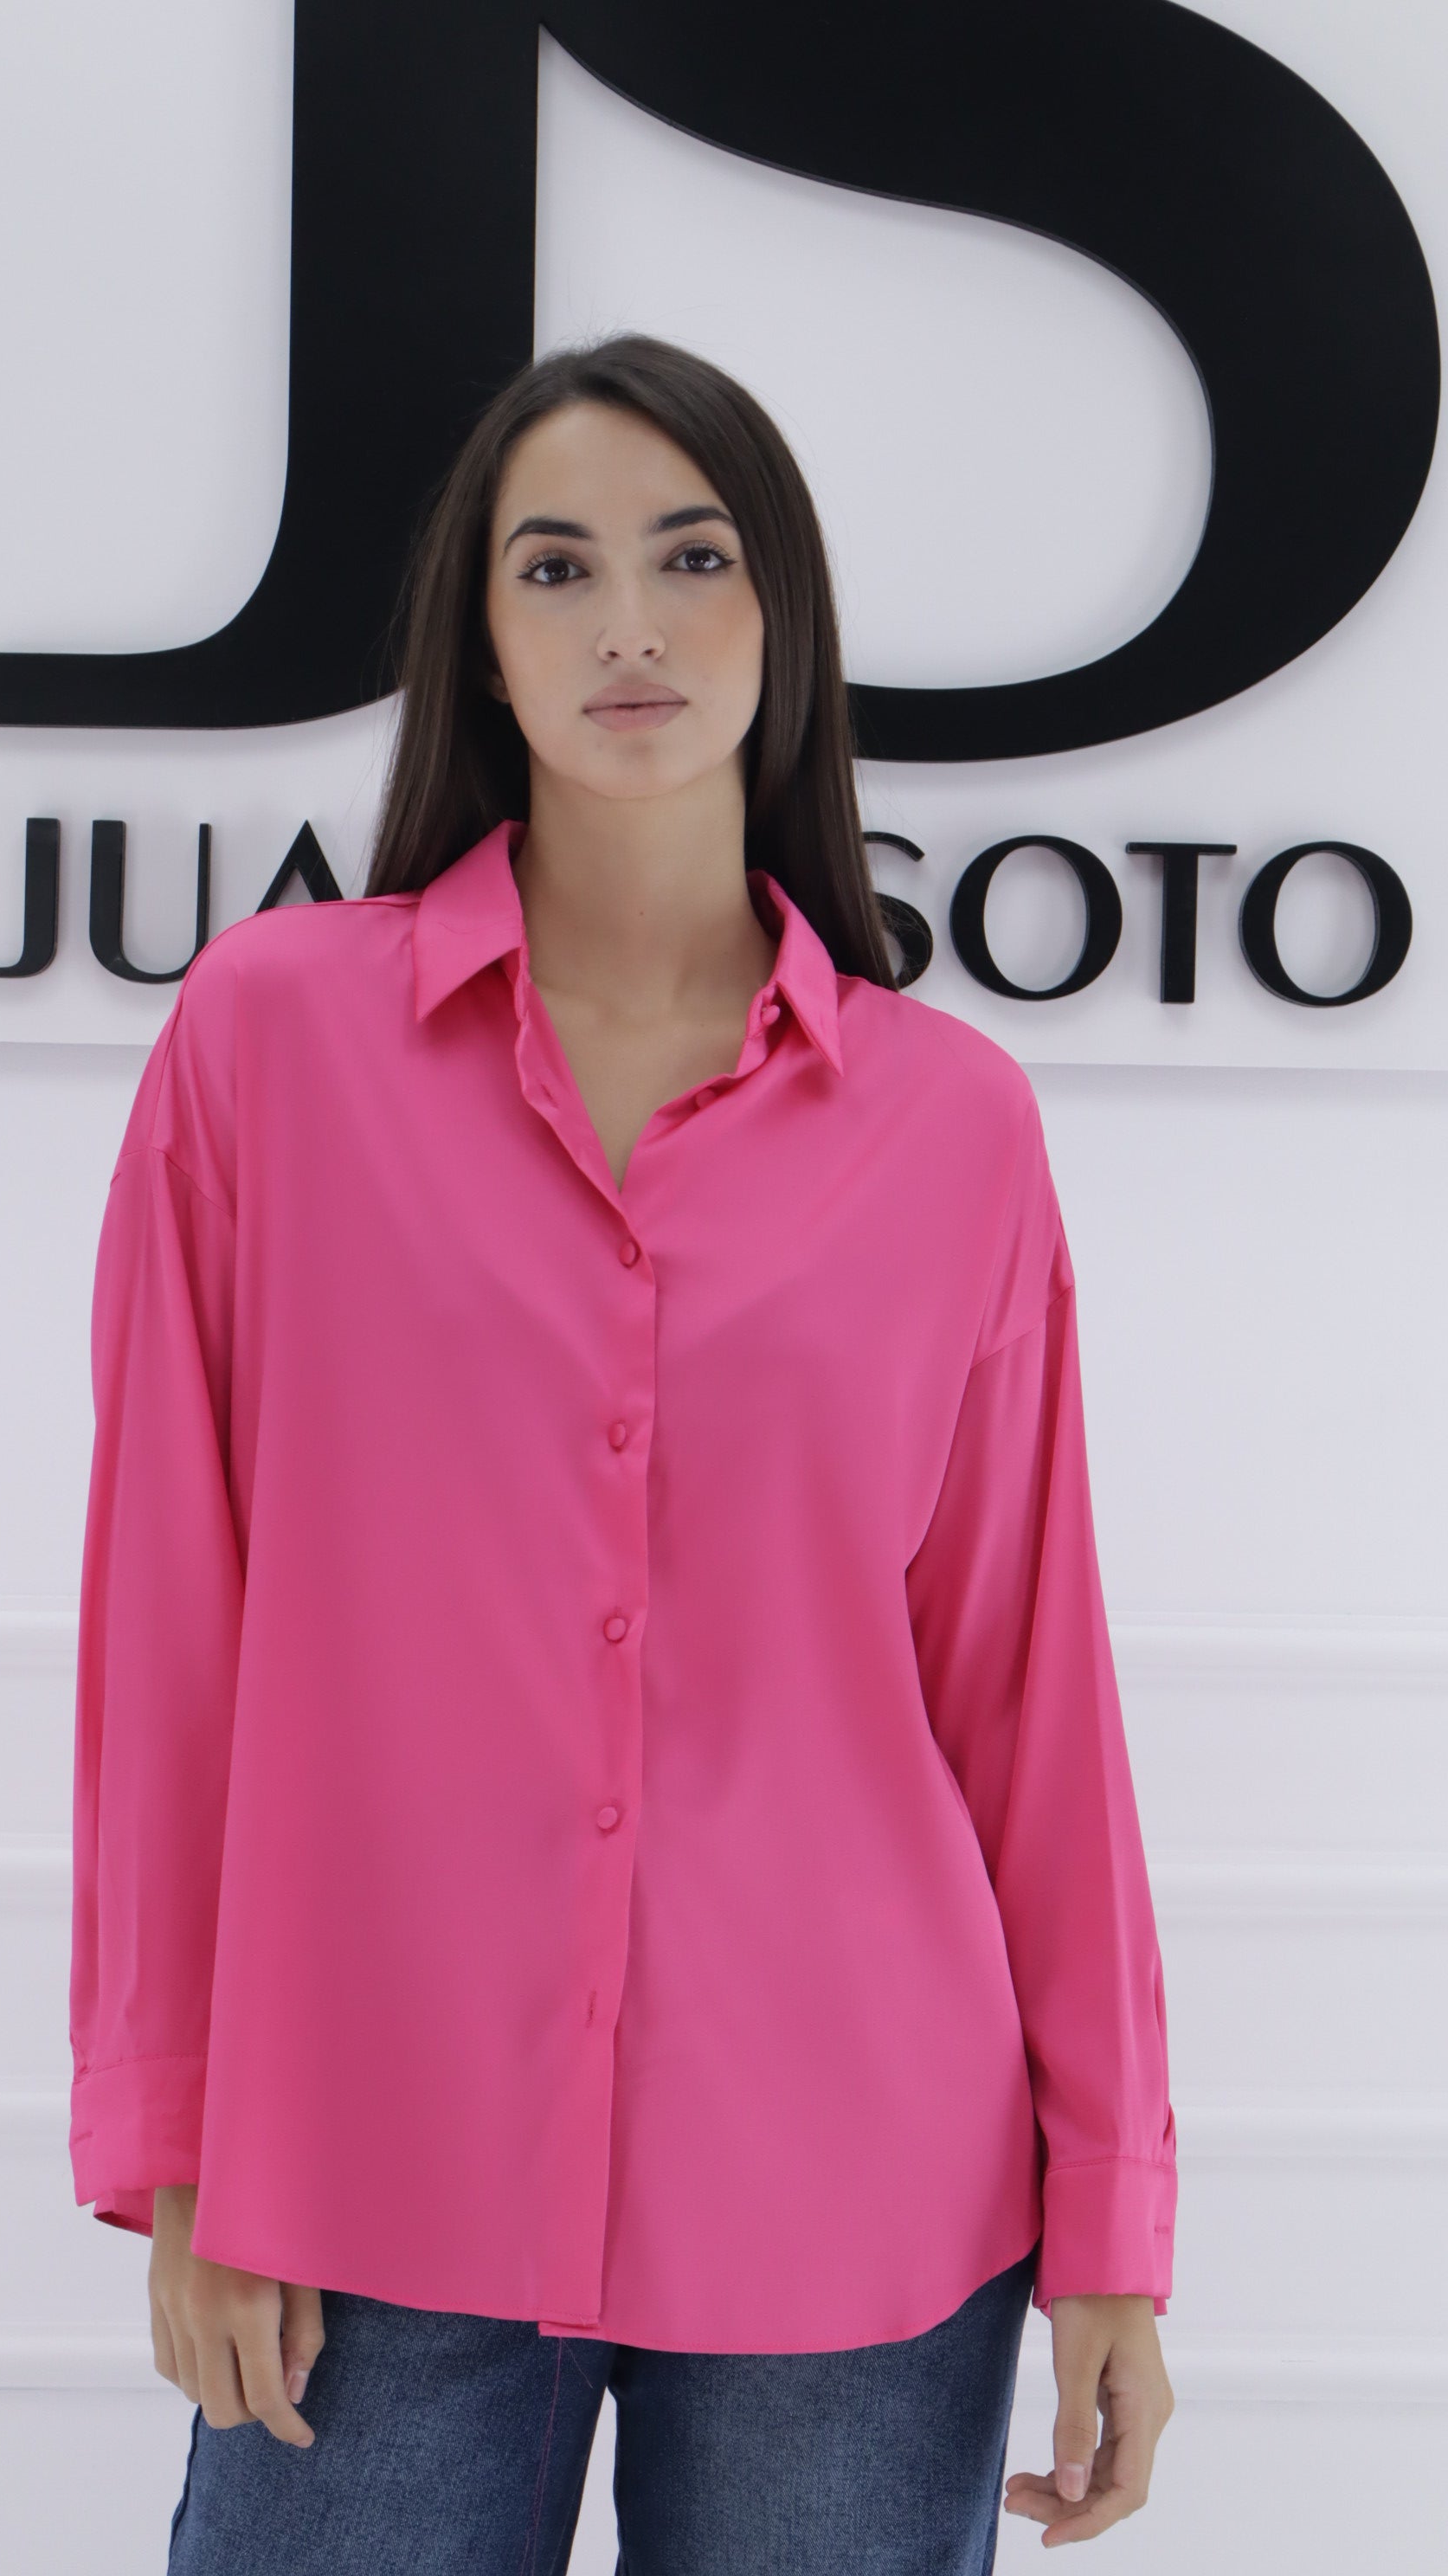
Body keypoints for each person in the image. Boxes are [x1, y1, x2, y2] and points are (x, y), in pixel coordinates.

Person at [69, 332, 1177, 2573]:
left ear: (783, 617)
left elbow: (1027, 1691)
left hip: (857, 2196)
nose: (631, 627)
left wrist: (1115, 2224)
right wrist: (179, 2139)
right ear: (479, 639)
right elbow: (167, 1628)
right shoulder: (270, 1047)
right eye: (556, 568)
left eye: (693, 559)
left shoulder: (952, 1128)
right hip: (359, 2168)